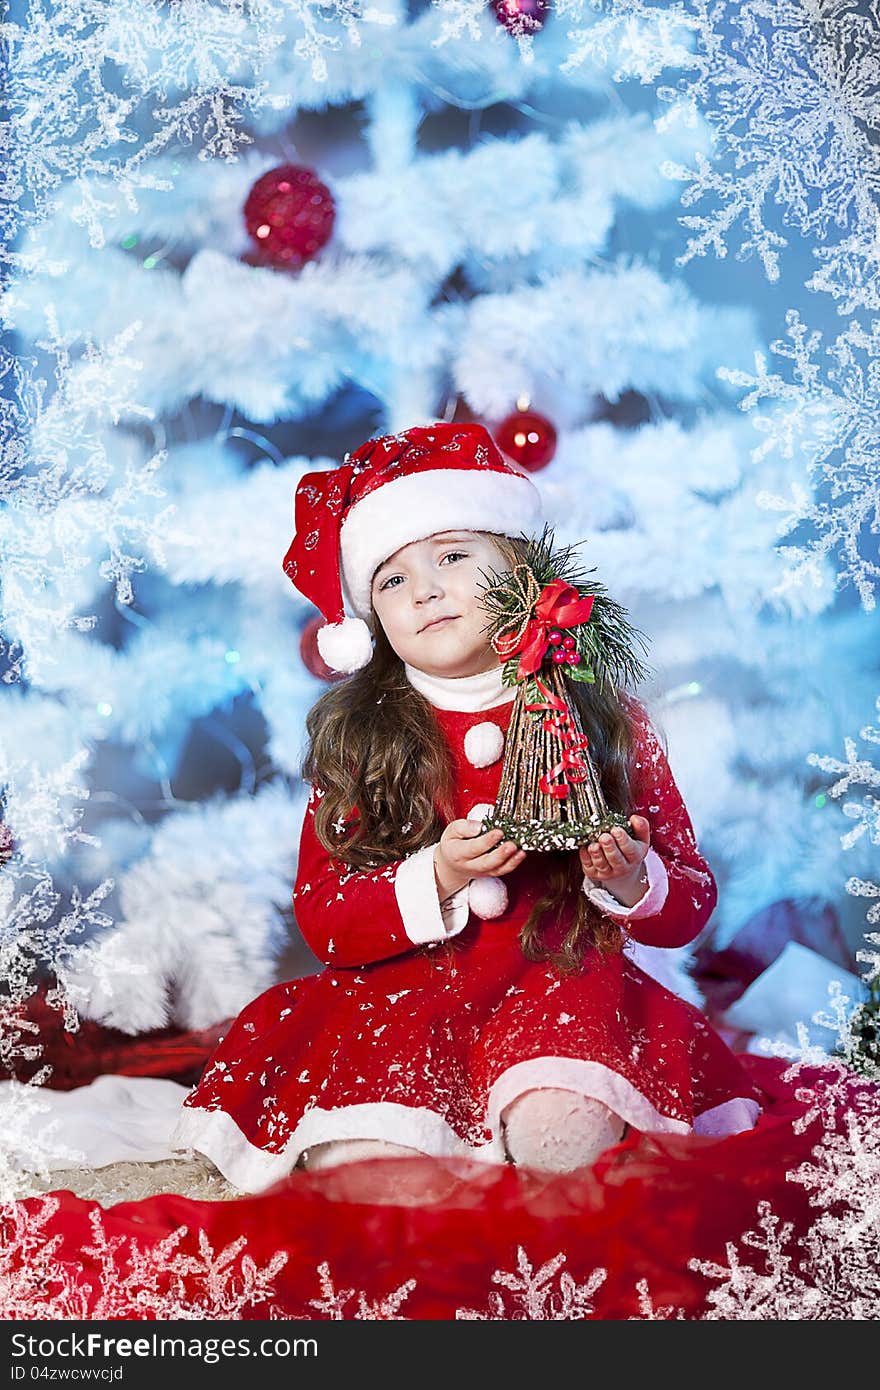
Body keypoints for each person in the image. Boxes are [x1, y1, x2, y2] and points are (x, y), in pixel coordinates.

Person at [169, 422, 762, 1194]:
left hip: (563, 988)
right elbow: (325, 917)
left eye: (452, 556)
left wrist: (631, 878)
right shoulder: (363, 738)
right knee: (377, 1172)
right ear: (373, 623)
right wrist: (436, 876)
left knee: (566, 1142)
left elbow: (689, 903)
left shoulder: (603, 717)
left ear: (520, 572)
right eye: (392, 580)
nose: (425, 588)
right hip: (404, 1000)